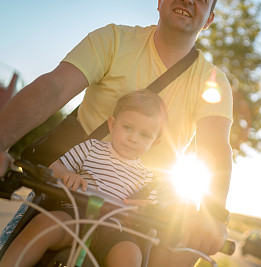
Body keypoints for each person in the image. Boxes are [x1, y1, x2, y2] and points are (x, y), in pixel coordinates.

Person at [0, 0, 233, 266]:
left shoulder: (212, 82)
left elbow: (214, 147)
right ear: (159, 3)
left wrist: (212, 215)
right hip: (72, 192)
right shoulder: (114, 39)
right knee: (33, 235)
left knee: (182, 251)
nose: (188, 0)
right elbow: (55, 86)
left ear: (209, 19)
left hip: (143, 208)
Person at [0, 90, 168, 267]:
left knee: (132, 255)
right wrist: (66, 174)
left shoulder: (148, 177)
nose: (133, 138)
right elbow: (55, 167)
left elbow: (151, 210)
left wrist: (145, 208)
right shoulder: (91, 148)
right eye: (128, 128)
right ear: (112, 124)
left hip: (114, 229)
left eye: (145, 135)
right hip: (74, 214)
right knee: (42, 226)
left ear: (155, 142)